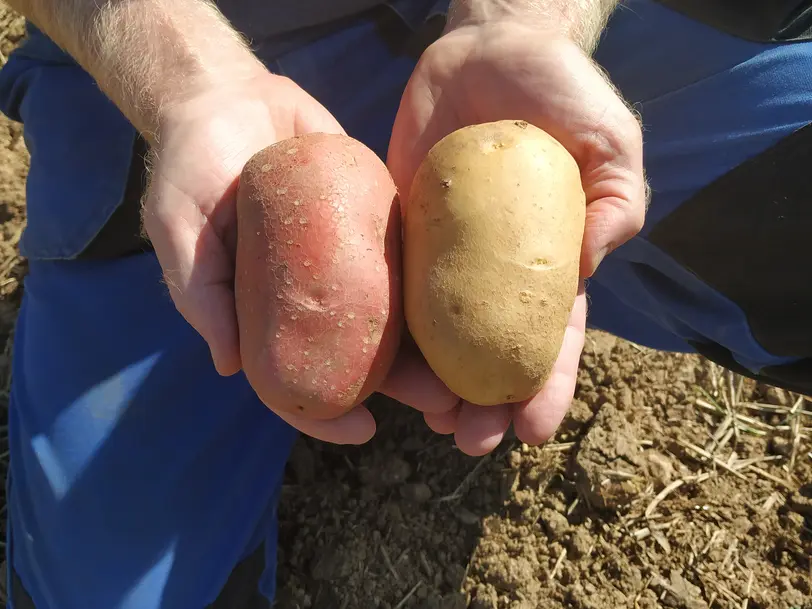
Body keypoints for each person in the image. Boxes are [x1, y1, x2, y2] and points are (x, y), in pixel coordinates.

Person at [0, 0, 809, 606]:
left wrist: (520, 23)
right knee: (99, 581)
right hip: (175, 53)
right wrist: (184, 84)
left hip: (518, 41)